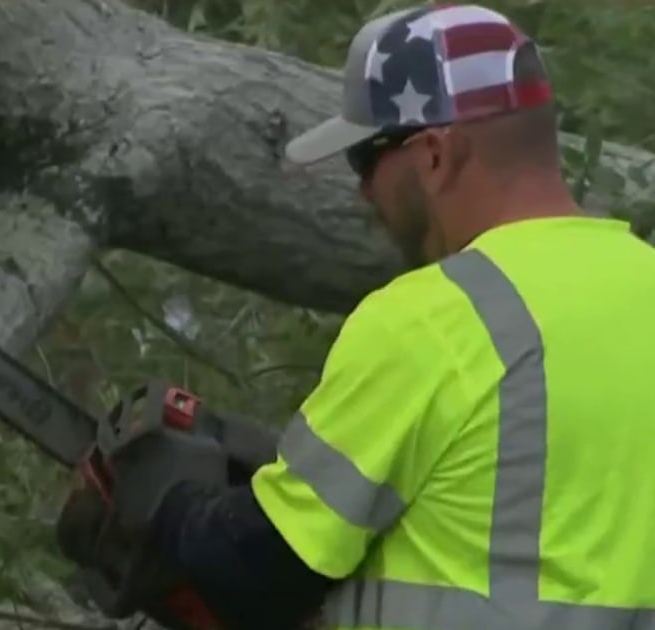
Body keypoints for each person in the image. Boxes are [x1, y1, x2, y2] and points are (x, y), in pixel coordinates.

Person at [96, 4, 655, 629]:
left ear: (437, 155)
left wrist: (172, 512)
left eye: (367, 161)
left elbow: (258, 572)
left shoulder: (439, 317)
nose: (364, 192)